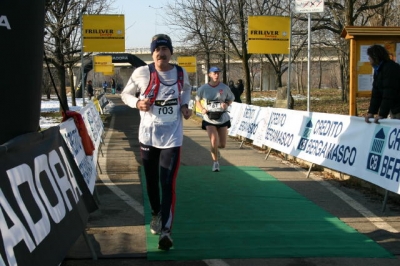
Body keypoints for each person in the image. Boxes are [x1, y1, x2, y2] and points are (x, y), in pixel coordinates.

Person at [121, 34, 192, 251]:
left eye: (165, 49)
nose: (161, 53)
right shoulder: (142, 72)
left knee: (167, 183)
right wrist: (137, 103)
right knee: (151, 181)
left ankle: (166, 232)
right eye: (157, 49)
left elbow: (187, 89)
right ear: (152, 53)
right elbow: (125, 94)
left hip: (172, 137)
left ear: (171, 52)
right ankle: (155, 214)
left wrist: (185, 105)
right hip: (148, 136)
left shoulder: (180, 72)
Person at [195, 67, 234, 172]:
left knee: (222, 144)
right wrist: (202, 109)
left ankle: (216, 150)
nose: (216, 75)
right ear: (209, 75)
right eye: (214, 73)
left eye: (218, 73)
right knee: (213, 140)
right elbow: (197, 101)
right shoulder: (203, 88)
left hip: (222, 117)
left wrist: (226, 104)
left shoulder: (224, 87)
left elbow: (231, 99)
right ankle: (215, 163)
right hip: (209, 118)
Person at [365, 44, 400, 123]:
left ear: (375, 56)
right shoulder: (379, 69)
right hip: (394, 108)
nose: (368, 58)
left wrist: (382, 114)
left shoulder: (390, 68)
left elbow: (389, 92)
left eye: (370, 56)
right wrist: (371, 112)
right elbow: (376, 93)